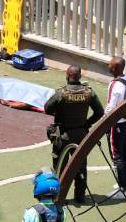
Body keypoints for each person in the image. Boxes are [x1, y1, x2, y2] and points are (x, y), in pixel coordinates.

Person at [44, 65, 105, 203]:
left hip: (63, 135)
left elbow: (47, 109)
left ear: (67, 75)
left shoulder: (61, 93)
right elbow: (99, 113)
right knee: (80, 166)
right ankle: (80, 196)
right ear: (80, 76)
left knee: (60, 167)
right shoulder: (89, 92)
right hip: (81, 134)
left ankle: (59, 197)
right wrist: (87, 124)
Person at [106, 56, 126, 194]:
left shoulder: (116, 84)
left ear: (115, 68)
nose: (108, 66)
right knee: (124, 153)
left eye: (110, 64)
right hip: (125, 122)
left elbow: (110, 107)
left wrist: (104, 123)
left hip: (117, 124)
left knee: (117, 155)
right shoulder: (125, 80)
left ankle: (122, 188)